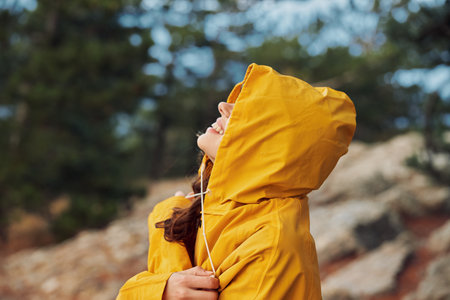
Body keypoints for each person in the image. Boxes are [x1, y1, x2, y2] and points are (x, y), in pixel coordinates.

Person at [116, 63, 356, 299]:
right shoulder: (220, 206)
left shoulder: (270, 248)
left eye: (248, 111)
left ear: (271, 149)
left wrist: (161, 259)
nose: (224, 106)